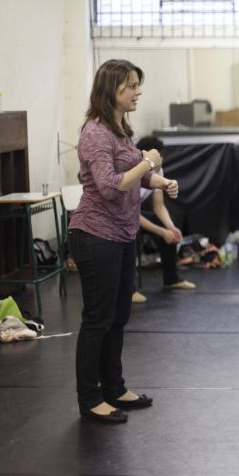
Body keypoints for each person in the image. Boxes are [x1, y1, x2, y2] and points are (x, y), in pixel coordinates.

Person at [68, 59, 179, 423]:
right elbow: (111, 185)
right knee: (98, 319)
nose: (138, 91)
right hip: (95, 234)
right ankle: (91, 398)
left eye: (137, 85)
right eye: (131, 85)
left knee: (118, 316)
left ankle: (114, 388)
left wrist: (159, 181)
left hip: (121, 234)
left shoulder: (120, 130)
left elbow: (133, 175)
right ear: (111, 90)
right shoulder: (95, 132)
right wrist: (148, 164)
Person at [131, 136, 196, 304]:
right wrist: (161, 232)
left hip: (134, 215)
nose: (161, 160)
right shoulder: (134, 173)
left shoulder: (158, 171)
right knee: (133, 234)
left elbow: (159, 207)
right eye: (159, 156)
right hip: (124, 219)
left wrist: (170, 227)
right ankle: (128, 290)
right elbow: (131, 215)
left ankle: (171, 278)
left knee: (169, 226)